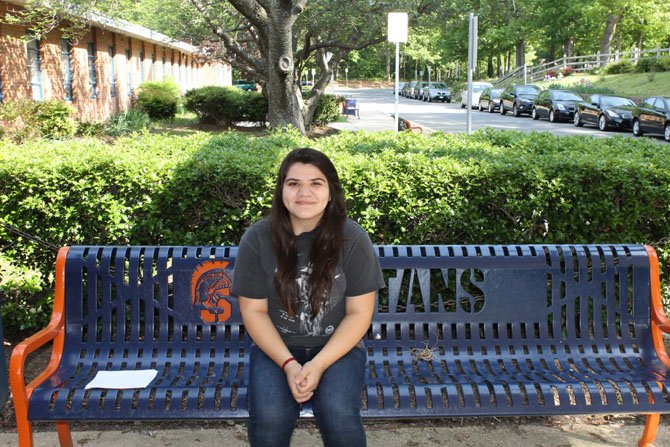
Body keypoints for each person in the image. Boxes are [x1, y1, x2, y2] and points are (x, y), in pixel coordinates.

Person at [231, 147, 385, 447]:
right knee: (269, 415)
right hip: (276, 347)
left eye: (316, 183)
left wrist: (318, 364)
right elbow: (254, 312)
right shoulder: (258, 238)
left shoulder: (352, 239)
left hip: (338, 348)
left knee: (337, 410)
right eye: (294, 183)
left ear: (330, 192)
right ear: (281, 190)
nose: (304, 192)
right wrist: (289, 364)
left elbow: (359, 314)